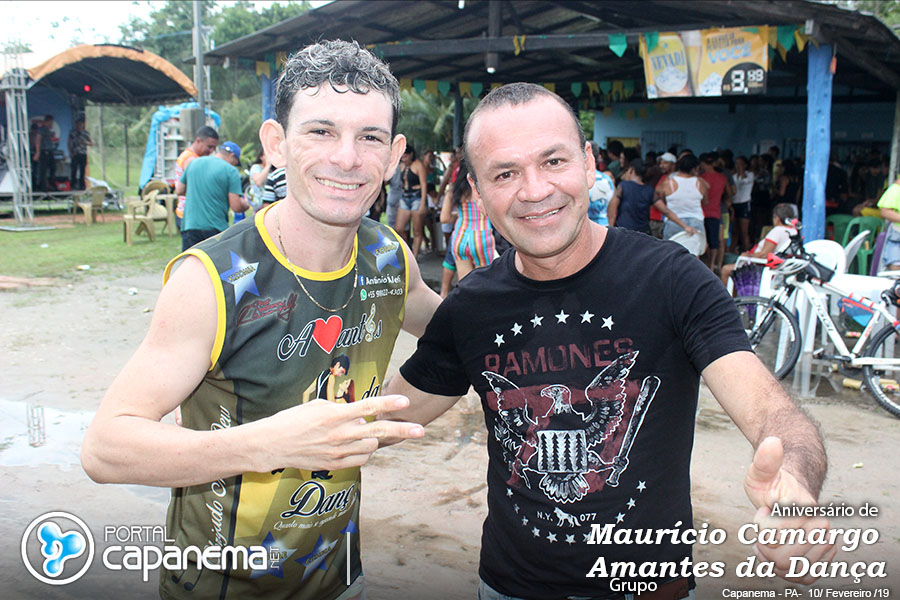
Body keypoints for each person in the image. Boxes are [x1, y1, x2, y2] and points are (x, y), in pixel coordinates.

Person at [382, 83, 833, 599]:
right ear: (478, 193)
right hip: (510, 587)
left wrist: (795, 487)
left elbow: (776, 416)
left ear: (589, 163)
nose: (534, 190)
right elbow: (389, 415)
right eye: (505, 173)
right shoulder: (470, 307)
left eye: (553, 161)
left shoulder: (671, 279)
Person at [82, 40, 440, 600]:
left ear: (393, 156)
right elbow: (105, 447)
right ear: (276, 143)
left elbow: (454, 338)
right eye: (320, 131)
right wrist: (267, 445)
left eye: (369, 137)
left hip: (341, 576)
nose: (346, 157)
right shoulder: (210, 280)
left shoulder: (391, 257)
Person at [176, 141, 249, 251]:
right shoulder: (230, 170)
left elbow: (179, 190)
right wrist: (246, 203)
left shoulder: (194, 163)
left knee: (190, 265)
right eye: (235, 162)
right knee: (214, 267)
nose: (234, 165)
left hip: (190, 225)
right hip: (215, 228)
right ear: (232, 156)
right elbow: (236, 206)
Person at [608, 159, 695, 236]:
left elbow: (613, 211)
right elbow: (666, 211)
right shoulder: (649, 190)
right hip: (643, 233)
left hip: (625, 232)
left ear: (631, 170)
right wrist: (685, 226)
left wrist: (610, 230)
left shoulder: (623, 186)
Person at [441, 159, 496, 282]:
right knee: (485, 283)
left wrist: (459, 216)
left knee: (465, 284)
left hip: (460, 237)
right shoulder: (483, 189)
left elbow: (444, 218)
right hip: (482, 237)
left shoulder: (453, 190)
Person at [719, 203, 799, 286]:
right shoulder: (793, 231)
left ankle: (726, 298)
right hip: (777, 267)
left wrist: (748, 256)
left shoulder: (777, 231)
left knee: (726, 269)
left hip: (761, 267)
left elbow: (764, 254)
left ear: (777, 218)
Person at [174, 126, 220, 229]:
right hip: (190, 216)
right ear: (198, 141)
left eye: (214, 148)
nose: (211, 151)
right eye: (209, 146)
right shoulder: (190, 160)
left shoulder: (196, 158)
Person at [659, 153, 709, 242]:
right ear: (695, 168)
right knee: (693, 252)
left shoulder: (669, 182)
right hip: (696, 221)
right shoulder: (700, 183)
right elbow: (705, 202)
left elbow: (662, 201)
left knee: (671, 252)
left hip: (673, 221)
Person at [394, 145, 429, 257]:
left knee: (417, 230)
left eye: (405, 156)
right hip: (405, 197)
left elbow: (424, 185)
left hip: (417, 198)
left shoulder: (418, 165)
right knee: (399, 228)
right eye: (402, 157)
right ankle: (407, 251)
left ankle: (414, 256)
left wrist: (423, 203)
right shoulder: (402, 166)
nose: (403, 159)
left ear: (411, 155)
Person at [733, 155, 755, 252]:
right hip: (734, 204)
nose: (738, 166)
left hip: (744, 204)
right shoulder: (733, 176)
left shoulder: (750, 174)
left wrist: (741, 170)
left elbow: (744, 181)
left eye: (740, 164)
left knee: (744, 231)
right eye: (737, 163)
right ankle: (732, 251)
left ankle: (747, 252)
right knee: (734, 231)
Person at [67, 117, 92, 190]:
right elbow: (68, 143)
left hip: (83, 153)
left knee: (82, 170)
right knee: (74, 169)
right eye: (77, 125)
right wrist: (70, 152)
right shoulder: (72, 133)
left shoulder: (86, 133)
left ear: (83, 125)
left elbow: (91, 143)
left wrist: (86, 142)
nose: (78, 126)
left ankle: (82, 185)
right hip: (75, 153)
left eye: (80, 125)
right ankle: (73, 184)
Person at [33, 114, 57, 191]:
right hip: (44, 151)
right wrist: (37, 152)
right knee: (43, 170)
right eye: (51, 122)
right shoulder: (41, 130)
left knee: (53, 168)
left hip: (50, 151)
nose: (52, 124)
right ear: (48, 121)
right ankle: (43, 187)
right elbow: (38, 140)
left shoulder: (48, 130)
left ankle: (51, 184)